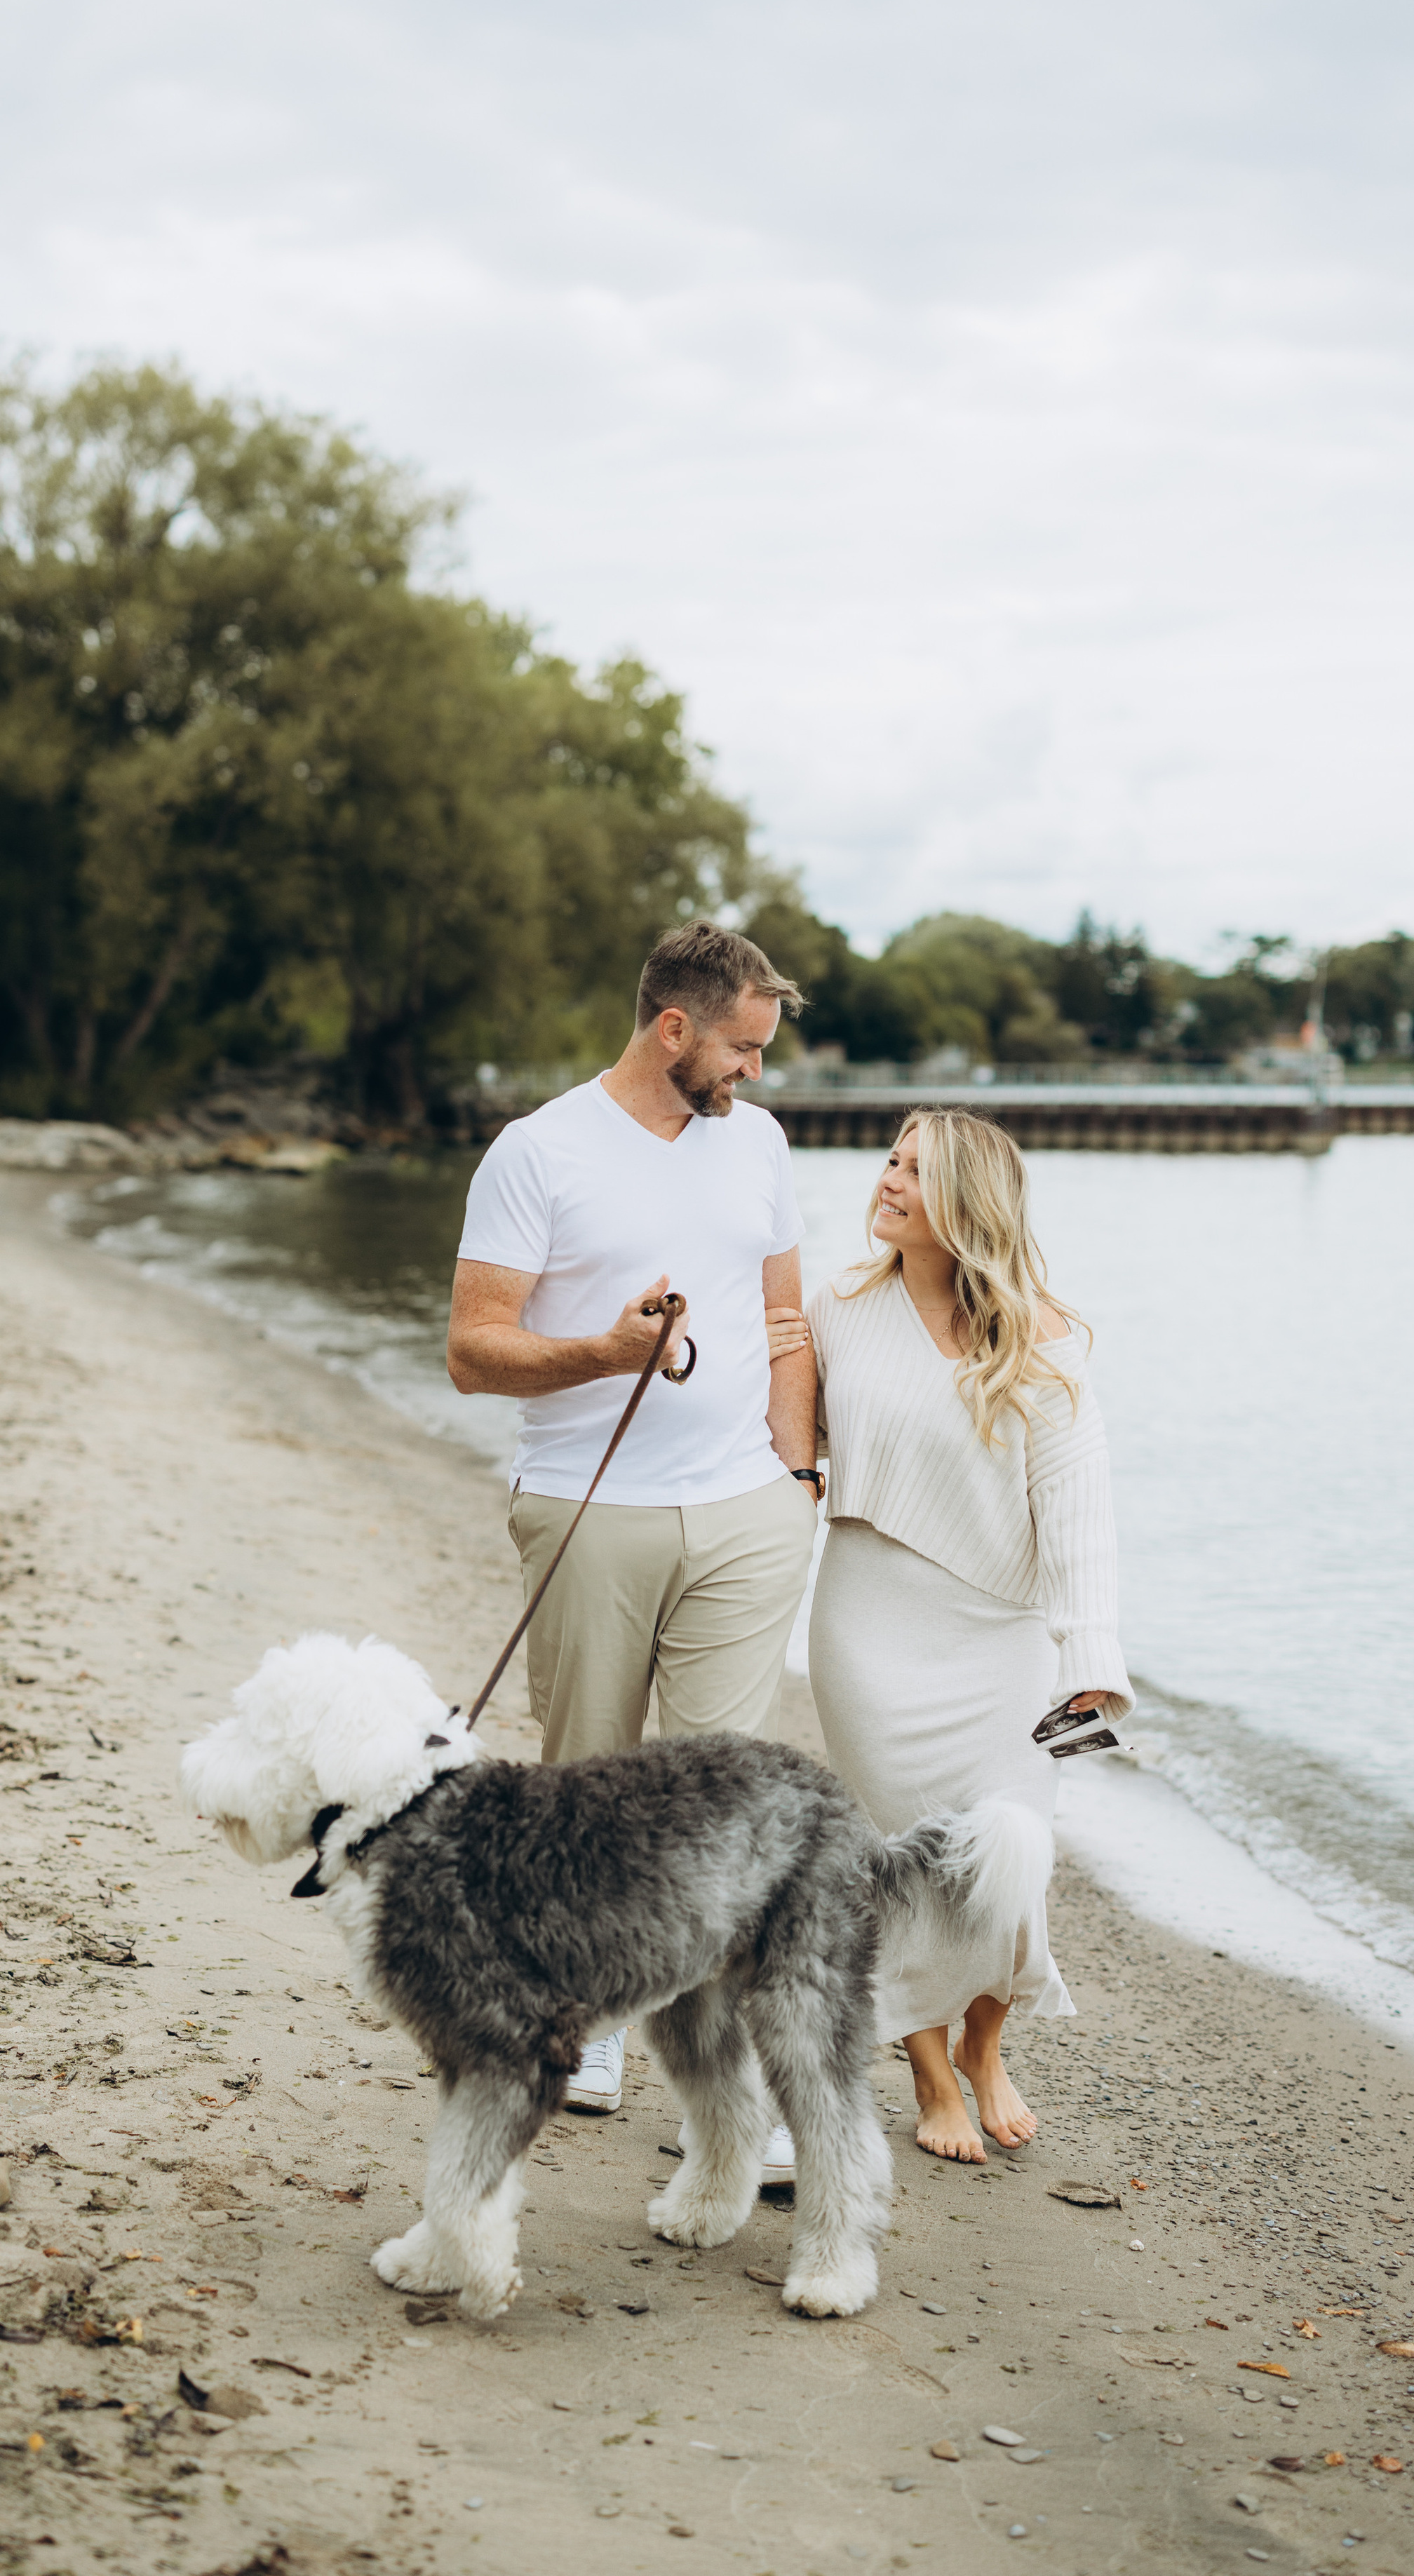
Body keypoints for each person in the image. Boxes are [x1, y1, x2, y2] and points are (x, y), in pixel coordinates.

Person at [447, 921, 822, 2139]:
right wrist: (605, 1353)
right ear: (675, 1030)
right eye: (742, 1047)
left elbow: (783, 1318)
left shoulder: (756, 1142)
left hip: (746, 1516)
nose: (756, 1072)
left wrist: (797, 1474)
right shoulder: (537, 1152)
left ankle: (722, 2072)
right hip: (587, 1512)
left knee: (717, 1805)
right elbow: (471, 1351)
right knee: (589, 1785)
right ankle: (592, 2024)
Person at [772, 1109, 1133, 2163]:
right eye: (890, 1157)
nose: (886, 1179)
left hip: (1003, 1637)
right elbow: (791, 1438)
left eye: (915, 1170)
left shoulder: (1043, 1334)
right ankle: (930, 2074)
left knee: (1011, 1854)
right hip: (868, 1625)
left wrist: (1092, 1664)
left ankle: (987, 2043)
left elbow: (1078, 1513)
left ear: (969, 1204)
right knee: (904, 1862)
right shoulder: (836, 1306)